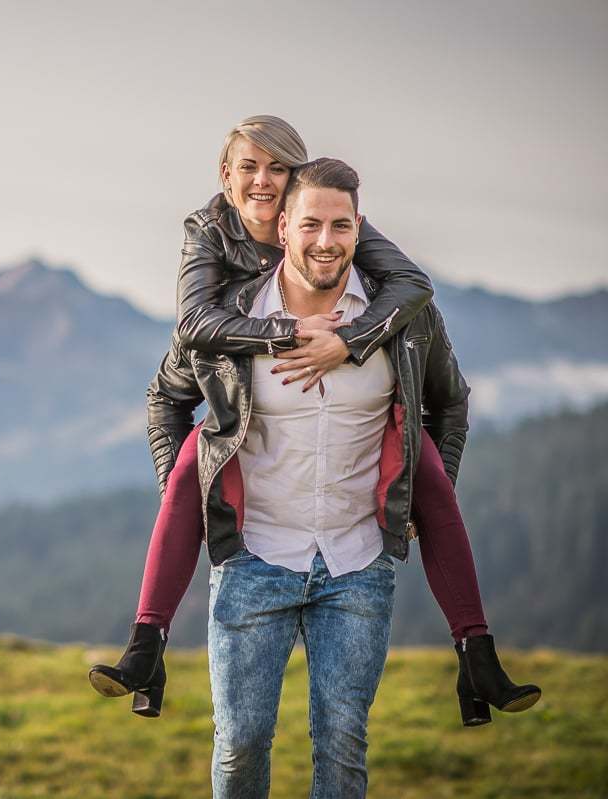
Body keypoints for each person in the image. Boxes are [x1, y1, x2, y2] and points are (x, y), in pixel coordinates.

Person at [88, 117, 539, 730]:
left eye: (279, 168)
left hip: (351, 539)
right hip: (249, 408)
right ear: (226, 177)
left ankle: (477, 652)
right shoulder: (208, 235)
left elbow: (413, 286)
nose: (263, 180)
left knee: (421, 459)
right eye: (249, 166)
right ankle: (146, 645)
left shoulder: (338, 230)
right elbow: (194, 326)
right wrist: (288, 334)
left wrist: (349, 342)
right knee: (198, 453)